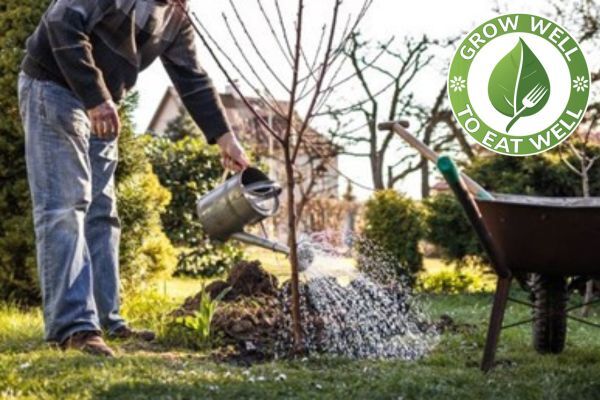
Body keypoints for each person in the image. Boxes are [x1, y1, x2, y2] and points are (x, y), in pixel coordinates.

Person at [18, 0, 249, 357]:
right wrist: (96, 99)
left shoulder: (175, 15)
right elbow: (60, 24)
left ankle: (108, 322)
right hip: (54, 86)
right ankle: (74, 328)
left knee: (102, 212)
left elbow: (193, 78)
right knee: (65, 206)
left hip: (102, 102)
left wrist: (225, 137)